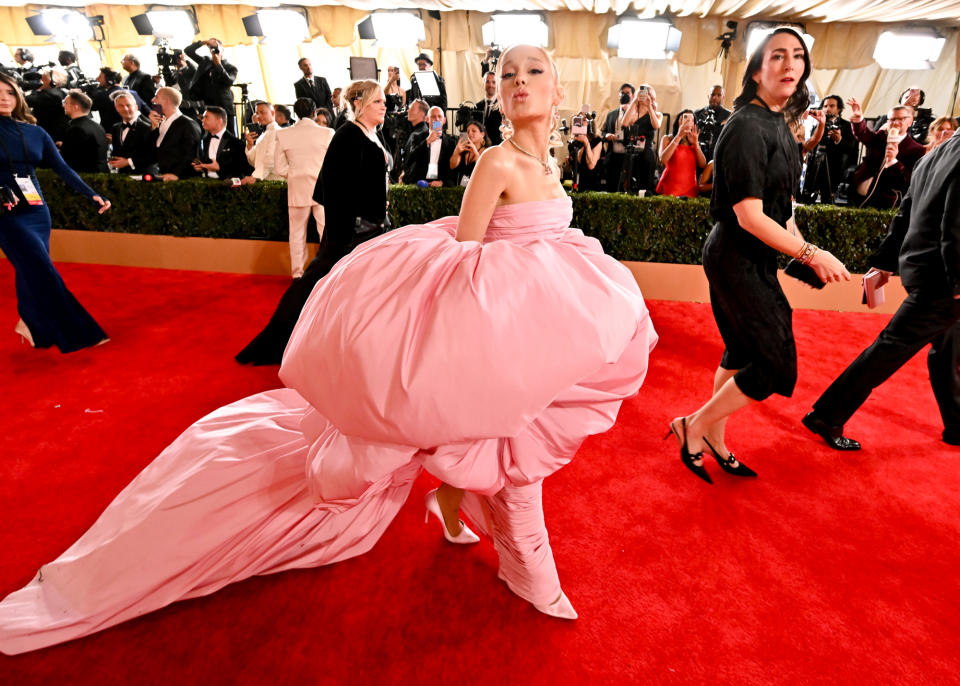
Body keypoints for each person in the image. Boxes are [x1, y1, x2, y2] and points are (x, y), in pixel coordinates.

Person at [0, 46, 655, 655]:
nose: (518, 82)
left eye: (533, 72)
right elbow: (467, 259)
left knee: (503, 448)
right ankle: (526, 569)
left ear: (559, 88)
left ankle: (462, 511)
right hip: (491, 331)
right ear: (495, 93)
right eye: (508, 74)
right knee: (503, 452)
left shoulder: (549, 163)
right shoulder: (497, 162)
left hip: (528, 331)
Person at [667, 27, 850, 484]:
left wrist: (806, 259)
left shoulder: (778, 124)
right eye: (777, 57)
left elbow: (782, 210)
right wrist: (813, 252)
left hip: (752, 257)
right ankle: (694, 426)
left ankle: (713, 438)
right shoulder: (746, 126)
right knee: (772, 364)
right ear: (755, 70)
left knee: (740, 352)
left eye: (797, 56)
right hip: (735, 256)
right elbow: (749, 216)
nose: (790, 65)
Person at [804, 134, 960, 449]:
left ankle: (957, 424)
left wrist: (883, 264)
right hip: (942, 280)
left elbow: (903, 218)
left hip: (923, 269)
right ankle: (827, 415)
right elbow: (955, 225)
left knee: (948, 348)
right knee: (890, 348)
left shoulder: (936, 153)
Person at [235, 82, 387, 363]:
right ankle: (278, 343)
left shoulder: (370, 135)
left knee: (337, 288)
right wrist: (348, 228)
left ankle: (343, 345)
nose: (384, 105)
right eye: (378, 101)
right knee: (312, 284)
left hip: (368, 228)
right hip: (350, 232)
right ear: (359, 104)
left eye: (384, 101)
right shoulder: (347, 136)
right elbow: (332, 186)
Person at [0, 72, 111, 353]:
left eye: (10, 92)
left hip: (37, 210)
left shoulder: (35, 132)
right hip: (6, 213)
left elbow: (62, 168)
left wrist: (91, 193)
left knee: (30, 269)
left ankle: (30, 322)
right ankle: (78, 331)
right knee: (41, 267)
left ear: (18, 97)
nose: (4, 98)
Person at [260, 96, 334, 281]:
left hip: (297, 187)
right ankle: (329, 270)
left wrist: (293, 174)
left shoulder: (284, 134)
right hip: (322, 188)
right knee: (325, 231)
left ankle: (297, 274)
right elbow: (334, 164)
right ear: (315, 112)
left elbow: (279, 168)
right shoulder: (327, 133)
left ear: (295, 113)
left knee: (297, 233)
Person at [848, 100, 925, 209]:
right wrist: (859, 120)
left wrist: (894, 161)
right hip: (857, 192)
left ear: (910, 121)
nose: (895, 122)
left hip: (885, 201)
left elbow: (909, 180)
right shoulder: (880, 136)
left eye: (901, 119)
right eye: (892, 119)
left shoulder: (917, 149)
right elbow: (863, 134)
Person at [800, 94, 857, 204]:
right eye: (825, 106)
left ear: (839, 108)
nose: (828, 109)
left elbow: (851, 150)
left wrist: (839, 140)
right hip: (815, 170)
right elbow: (811, 147)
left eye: (832, 106)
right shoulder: (817, 125)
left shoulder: (847, 126)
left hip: (835, 171)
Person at [184, 38, 238, 134]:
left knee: (228, 134)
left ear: (222, 49)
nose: (213, 49)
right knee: (210, 133)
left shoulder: (231, 67)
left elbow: (228, 81)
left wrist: (219, 65)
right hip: (209, 104)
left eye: (216, 47)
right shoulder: (205, 62)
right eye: (211, 47)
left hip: (224, 106)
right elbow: (188, 51)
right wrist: (203, 42)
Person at [148, 86, 202, 181]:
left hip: (181, 180)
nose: (152, 100)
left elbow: (191, 154)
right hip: (161, 177)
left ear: (167, 101)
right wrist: (154, 126)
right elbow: (152, 150)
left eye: (156, 97)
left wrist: (176, 174)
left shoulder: (189, 124)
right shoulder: (159, 122)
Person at [619, 83, 662, 194]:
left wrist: (649, 106)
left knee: (646, 185)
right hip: (633, 152)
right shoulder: (634, 112)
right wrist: (635, 101)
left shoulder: (657, 114)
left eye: (649, 96)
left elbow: (656, 125)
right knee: (630, 185)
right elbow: (624, 123)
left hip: (647, 153)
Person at [655, 109, 706, 198]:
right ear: (679, 121)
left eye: (691, 119)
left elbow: (702, 164)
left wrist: (696, 143)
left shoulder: (694, 141)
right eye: (685, 118)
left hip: (690, 189)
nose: (688, 122)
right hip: (671, 188)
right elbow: (663, 160)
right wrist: (678, 136)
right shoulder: (667, 138)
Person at [601, 83, 641, 192]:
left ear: (633, 96)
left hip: (629, 157)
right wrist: (607, 135)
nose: (624, 95)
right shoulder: (611, 114)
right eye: (622, 93)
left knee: (626, 189)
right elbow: (603, 132)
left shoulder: (637, 114)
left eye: (627, 93)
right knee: (611, 188)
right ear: (619, 96)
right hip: (613, 157)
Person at [193, 105, 250, 180]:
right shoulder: (204, 140)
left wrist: (220, 168)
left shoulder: (236, 143)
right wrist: (200, 167)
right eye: (203, 118)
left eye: (206, 117)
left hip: (228, 186)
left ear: (219, 120)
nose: (202, 120)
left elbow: (243, 170)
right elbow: (204, 162)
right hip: (207, 184)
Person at [107, 91, 157, 176]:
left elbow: (153, 156)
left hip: (144, 176)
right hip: (122, 176)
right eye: (121, 106)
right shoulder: (116, 127)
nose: (125, 109)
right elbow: (117, 152)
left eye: (128, 105)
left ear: (136, 107)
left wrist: (128, 162)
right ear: (116, 108)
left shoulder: (148, 128)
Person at [58, 90, 109, 174]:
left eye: (66, 103)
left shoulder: (76, 129)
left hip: (87, 178)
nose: (63, 106)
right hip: (101, 174)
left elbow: (70, 158)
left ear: (75, 107)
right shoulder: (97, 126)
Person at [404, 105, 455, 187]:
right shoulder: (417, 137)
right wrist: (427, 141)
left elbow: (452, 169)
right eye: (433, 117)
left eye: (439, 116)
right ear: (427, 119)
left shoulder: (451, 142)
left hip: (440, 185)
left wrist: (442, 183)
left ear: (444, 120)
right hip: (419, 183)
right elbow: (410, 158)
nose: (437, 119)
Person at [241, 101, 282, 184]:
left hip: (275, 182)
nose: (258, 116)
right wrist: (250, 145)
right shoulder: (264, 133)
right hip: (263, 180)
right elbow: (254, 162)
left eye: (262, 112)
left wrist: (254, 177)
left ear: (272, 113)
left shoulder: (277, 131)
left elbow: (271, 160)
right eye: (257, 113)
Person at [24, 68, 68, 141]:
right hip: (52, 130)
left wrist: (39, 88)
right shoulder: (58, 92)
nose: (43, 75)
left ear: (53, 82)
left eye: (46, 74)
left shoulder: (50, 95)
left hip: (52, 133)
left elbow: (27, 100)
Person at [694, 85, 731, 161]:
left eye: (719, 95)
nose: (715, 97)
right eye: (712, 94)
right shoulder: (697, 113)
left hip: (718, 157)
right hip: (698, 155)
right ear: (708, 96)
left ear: (723, 97)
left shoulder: (729, 116)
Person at [449, 119, 488, 185]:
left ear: (482, 134)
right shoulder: (463, 149)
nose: (470, 133)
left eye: (473, 131)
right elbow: (452, 166)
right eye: (468, 131)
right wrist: (457, 151)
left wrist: (475, 153)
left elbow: (485, 172)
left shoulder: (486, 152)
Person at [474, 71, 503, 145]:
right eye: (487, 82)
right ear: (483, 83)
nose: (490, 85)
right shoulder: (477, 106)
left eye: (494, 82)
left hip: (496, 147)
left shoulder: (502, 105)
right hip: (480, 147)